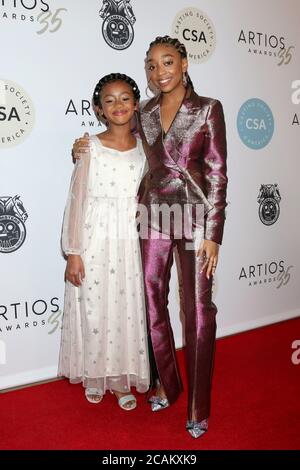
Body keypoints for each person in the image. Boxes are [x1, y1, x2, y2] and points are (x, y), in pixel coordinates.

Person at [73, 35, 227, 438]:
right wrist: (82, 145)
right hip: (151, 216)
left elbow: (216, 173)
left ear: (185, 63)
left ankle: (198, 407)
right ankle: (167, 385)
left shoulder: (209, 109)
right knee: (151, 303)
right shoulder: (143, 110)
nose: (160, 72)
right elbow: (117, 139)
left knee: (197, 312)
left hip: (194, 218)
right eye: (152, 65)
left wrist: (214, 233)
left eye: (168, 62)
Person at [58, 73, 149, 411]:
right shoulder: (89, 146)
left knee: (125, 312)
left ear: (136, 103)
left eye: (125, 98)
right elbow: (77, 198)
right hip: (95, 238)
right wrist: (74, 252)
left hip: (129, 242)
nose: (118, 105)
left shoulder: (145, 148)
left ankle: (119, 379)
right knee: (95, 309)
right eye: (109, 100)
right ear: (98, 108)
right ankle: (96, 376)